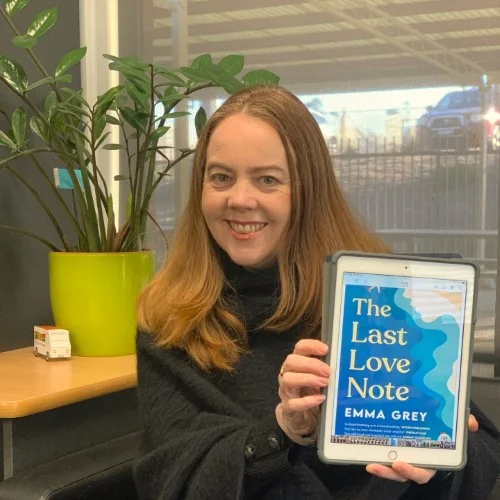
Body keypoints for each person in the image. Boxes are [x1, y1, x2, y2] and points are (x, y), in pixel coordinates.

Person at [134, 85, 500, 500]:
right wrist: (283, 432)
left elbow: (482, 452)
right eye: (220, 177)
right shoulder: (169, 318)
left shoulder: (376, 298)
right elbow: (168, 479)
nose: (239, 199)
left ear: (308, 190)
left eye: (267, 179)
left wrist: (440, 457)